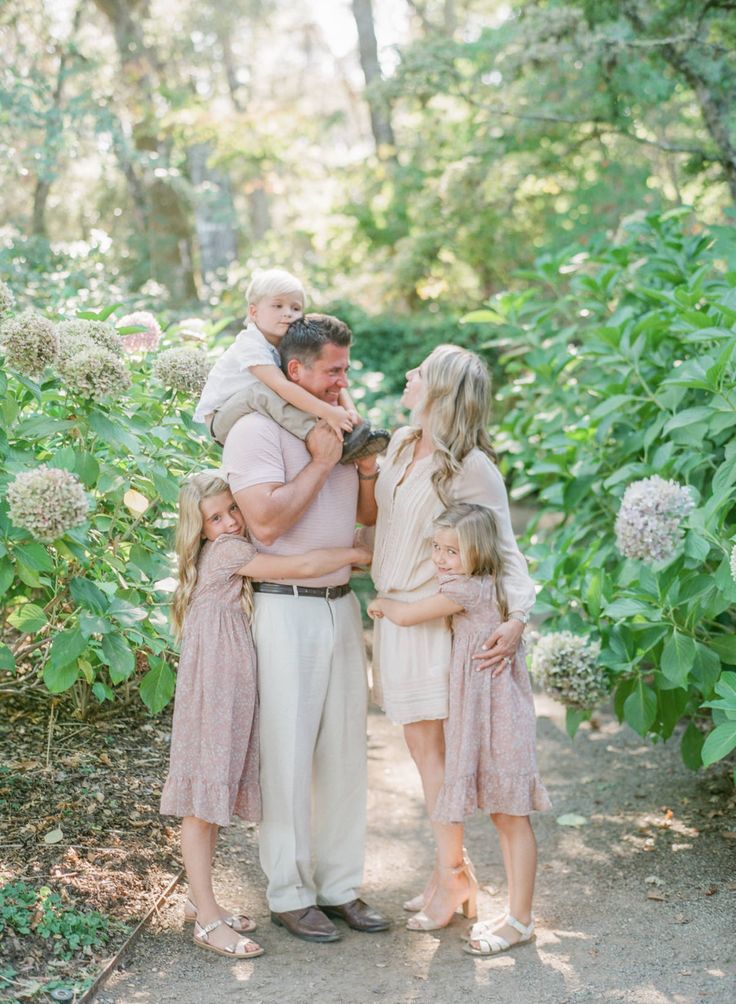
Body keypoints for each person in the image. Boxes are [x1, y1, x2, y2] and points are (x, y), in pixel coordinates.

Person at [220, 314, 390, 943]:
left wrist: (363, 466)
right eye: (334, 370)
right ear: (296, 371)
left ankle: (340, 887)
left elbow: (365, 517)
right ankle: (290, 894)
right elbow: (263, 526)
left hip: (341, 605)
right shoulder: (254, 430)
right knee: (287, 754)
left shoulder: (341, 427)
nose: (345, 380)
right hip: (283, 607)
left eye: (347, 368)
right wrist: (321, 463)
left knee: (345, 754)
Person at [159, 470, 372, 958]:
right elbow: (301, 566)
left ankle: (201, 901)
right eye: (216, 518)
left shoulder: (222, 551)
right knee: (203, 798)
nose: (232, 522)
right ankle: (209, 922)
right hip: (217, 684)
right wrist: (358, 555)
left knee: (209, 795)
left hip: (222, 679)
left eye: (234, 509)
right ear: (198, 527)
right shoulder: (231, 552)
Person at [370, 344, 537, 936]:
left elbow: (505, 548)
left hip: (433, 621)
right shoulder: (397, 443)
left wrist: (517, 619)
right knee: (423, 753)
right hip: (396, 616)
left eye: (421, 371)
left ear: (441, 392)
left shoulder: (471, 467)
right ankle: (452, 870)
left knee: (435, 753)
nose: (408, 374)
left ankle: (453, 875)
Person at [368, 503, 550, 951]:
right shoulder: (474, 585)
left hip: (497, 711)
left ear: (480, 553)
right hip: (486, 708)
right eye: (437, 548)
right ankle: (512, 914)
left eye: (453, 551)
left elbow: (411, 614)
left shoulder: (467, 590)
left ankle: (520, 919)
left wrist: (381, 604)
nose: (441, 559)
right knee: (503, 813)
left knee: (510, 814)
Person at [193, 267, 388, 461]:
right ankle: (316, 437)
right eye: (277, 306)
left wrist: (349, 412)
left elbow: (334, 378)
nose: (288, 313)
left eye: (295, 308)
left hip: (252, 405)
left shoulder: (287, 341)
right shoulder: (250, 344)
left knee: (322, 375)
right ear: (254, 312)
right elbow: (281, 386)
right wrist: (328, 412)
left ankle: (356, 432)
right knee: (261, 392)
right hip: (221, 419)